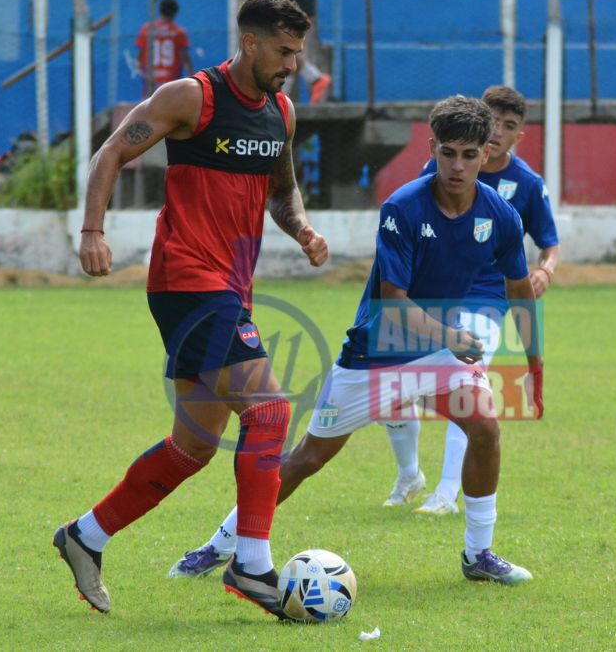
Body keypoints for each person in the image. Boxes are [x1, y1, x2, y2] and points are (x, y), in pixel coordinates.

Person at [170, 95, 541, 586]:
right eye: (447, 152)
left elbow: (520, 292)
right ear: (430, 147)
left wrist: (533, 365)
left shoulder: (501, 215)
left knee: (486, 429)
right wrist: (453, 336)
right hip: (373, 357)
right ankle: (218, 544)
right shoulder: (403, 208)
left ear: (486, 154)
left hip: (436, 354)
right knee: (307, 459)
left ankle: (479, 555)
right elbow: (394, 303)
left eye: (469, 155)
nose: (457, 165)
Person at [53, 0, 329, 618]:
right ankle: (253, 564)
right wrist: (92, 230)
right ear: (250, 43)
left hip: (231, 287)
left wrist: (303, 231)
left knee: (195, 445)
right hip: (186, 279)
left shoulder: (281, 112)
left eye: (298, 53)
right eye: (282, 52)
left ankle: (84, 537)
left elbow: (282, 194)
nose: (290, 64)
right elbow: (112, 151)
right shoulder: (192, 97)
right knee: (270, 412)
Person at [383, 84, 561, 514]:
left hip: (487, 294)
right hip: (435, 294)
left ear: (519, 135)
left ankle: (446, 493)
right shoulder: (440, 167)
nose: (498, 131)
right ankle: (410, 475)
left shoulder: (526, 186)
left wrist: (544, 270)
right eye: (493, 121)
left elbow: (549, 242)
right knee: (391, 390)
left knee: (469, 387)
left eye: (509, 126)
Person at [268, 0, 332, 103]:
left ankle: (315, 79)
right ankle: (314, 79)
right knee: (287, 54)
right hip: (295, 7)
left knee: (287, 52)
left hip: (295, 8)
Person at [136, 0, 194, 97]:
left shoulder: (147, 29)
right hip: (171, 80)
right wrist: (192, 77)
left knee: (149, 108)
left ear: (160, 11)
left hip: (152, 78)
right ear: (175, 12)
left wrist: (144, 73)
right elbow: (185, 58)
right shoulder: (178, 32)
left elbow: (140, 56)